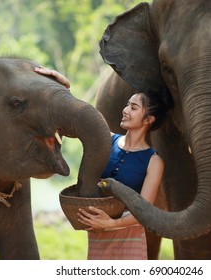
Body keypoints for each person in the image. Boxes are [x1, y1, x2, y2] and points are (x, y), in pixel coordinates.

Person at [35, 66, 171, 260]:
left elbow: (145, 211)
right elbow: (78, 119)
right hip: (98, 235)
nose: (125, 111)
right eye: (127, 105)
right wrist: (63, 86)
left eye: (133, 108)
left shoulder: (154, 161)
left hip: (129, 240)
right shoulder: (106, 141)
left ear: (149, 119)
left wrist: (110, 224)